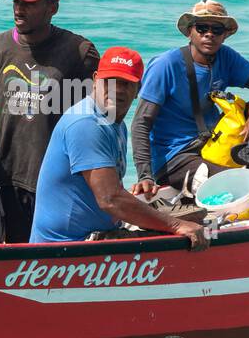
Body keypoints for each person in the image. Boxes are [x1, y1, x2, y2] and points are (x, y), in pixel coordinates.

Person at [0, 0, 100, 242]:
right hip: (8, 175)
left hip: (58, 179)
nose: (19, 9)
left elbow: (97, 119)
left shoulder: (79, 52)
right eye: (16, 1)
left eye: (29, 3)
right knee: (15, 252)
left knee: (50, 260)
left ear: (52, 7)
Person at [31, 48, 209, 248]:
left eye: (125, 83)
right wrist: (176, 225)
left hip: (95, 235)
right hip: (63, 248)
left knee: (197, 218)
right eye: (110, 81)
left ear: (138, 89)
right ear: (95, 80)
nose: (117, 89)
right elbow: (110, 199)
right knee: (186, 229)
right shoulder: (86, 123)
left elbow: (111, 191)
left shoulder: (116, 124)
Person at [130, 0, 249, 195]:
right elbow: (141, 123)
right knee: (242, 186)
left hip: (212, 142)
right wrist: (145, 176)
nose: (209, 34)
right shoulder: (165, 65)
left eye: (216, 29)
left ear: (225, 35)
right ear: (190, 32)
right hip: (175, 156)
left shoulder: (225, 57)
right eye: (202, 28)